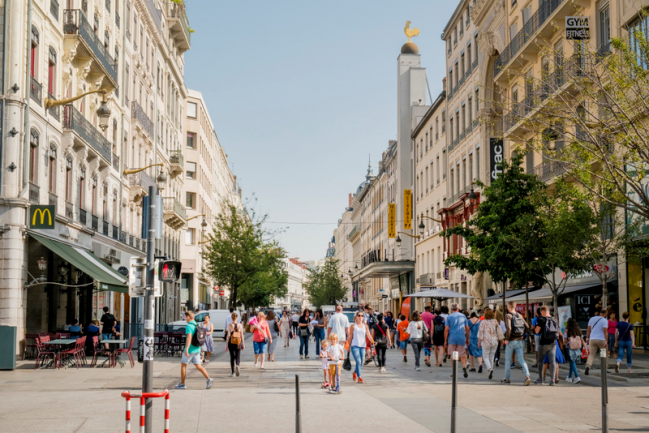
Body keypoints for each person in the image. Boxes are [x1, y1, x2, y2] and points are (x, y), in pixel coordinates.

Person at [176, 311, 213, 389]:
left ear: (188, 317)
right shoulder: (197, 324)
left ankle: (182, 384)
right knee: (199, 366)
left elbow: (189, 338)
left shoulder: (189, 326)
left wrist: (186, 349)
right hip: (197, 348)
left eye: (185, 317)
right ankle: (208, 378)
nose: (185, 318)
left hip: (190, 349)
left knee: (183, 365)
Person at [502, 301, 531, 386]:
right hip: (519, 340)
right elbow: (527, 327)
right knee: (522, 359)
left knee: (508, 360)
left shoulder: (508, 316)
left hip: (511, 341)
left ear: (509, 306)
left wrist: (506, 339)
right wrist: (522, 334)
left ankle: (507, 378)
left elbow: (509, 328)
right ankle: (527, 376)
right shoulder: (520, 315)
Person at [534, 305, 558, 385]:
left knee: (540, 361)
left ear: (543, 311)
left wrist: (535, 329)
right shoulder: (555, 319)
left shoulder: (541, 319)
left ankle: (541, 379)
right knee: (552, 361)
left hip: (543, 343)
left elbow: (537, 331)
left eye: (541, 312)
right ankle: (552, 380)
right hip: (553, 343)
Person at [444, 303, 470, 378]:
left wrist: (445, 340)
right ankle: (464, 366)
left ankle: (454, 371)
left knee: (453, 355)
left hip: (452, 337)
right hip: (461, 337)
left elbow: (446, 329)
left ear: (451, 309)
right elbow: (467, 328)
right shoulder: (463, 316)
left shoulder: (449, 317)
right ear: (458, 308)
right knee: (462, 354)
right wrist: (467, 338)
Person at [350, 311, 374, 383]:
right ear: (356, 317)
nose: (361, 317)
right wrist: (348, 347)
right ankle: (359, 377)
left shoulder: (365, 326)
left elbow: (368, 335)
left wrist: (373, 341)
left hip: (362, 346)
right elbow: (350, 336)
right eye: (359, 315)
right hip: (354, 346)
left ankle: (355, 372)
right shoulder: (353, 326)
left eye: (362, 316)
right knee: (358, 361)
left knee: (361, 362)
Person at [585, 308, 608, 376]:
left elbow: (588, 329)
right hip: (601, 339)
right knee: (604, 354)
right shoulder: (604, 320)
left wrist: (587, 338)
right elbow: (605, 331)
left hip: (592, 339)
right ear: (605, 314)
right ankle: (604, 369)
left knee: (591, 354)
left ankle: (588, 366)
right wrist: (606, 340)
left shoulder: (592, 319)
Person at [478, 308, 499, 380]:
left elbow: (480, 333)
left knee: (485, 356)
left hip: (485, 341)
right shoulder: (495, 321)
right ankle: (490, 370)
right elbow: (498, 331)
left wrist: (479, 342)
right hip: (494, 341)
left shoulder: (483, 322)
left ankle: (489, 369)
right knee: (492, 356)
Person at [565, 318, 585, 383]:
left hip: (569, 347)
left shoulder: (567, 331)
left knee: (572, 362)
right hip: (577, 348)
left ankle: (577, 376)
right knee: (572, 362)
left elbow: (565, 341)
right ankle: (569, 377)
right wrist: (585, 347)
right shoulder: (578, 330)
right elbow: (582, 340)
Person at [225, 312, 245, 377]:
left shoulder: (230, 325)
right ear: (237, 318)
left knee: (232, 357)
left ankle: (233, 372)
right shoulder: (240, 325)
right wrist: (243, 344)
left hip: (231, 342)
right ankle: (237, 365)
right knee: (238, 356)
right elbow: (242, 335)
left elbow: (228, 335)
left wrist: (226, 345)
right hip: (238, 342)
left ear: (231, 318)